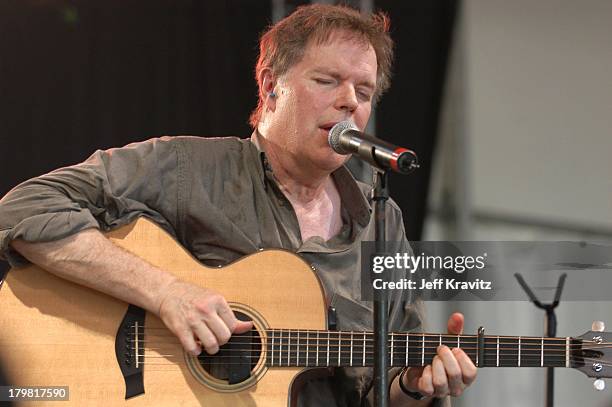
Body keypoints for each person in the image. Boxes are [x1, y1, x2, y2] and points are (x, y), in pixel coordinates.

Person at [0, 4, 475, 406]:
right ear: (271, 86)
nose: (350, 101)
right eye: (328, 80)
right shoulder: (188, 168)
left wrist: (413, 387)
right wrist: (167, 293)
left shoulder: (382, 219)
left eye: (364, 91)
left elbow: (379, 384)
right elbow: (24, 207)